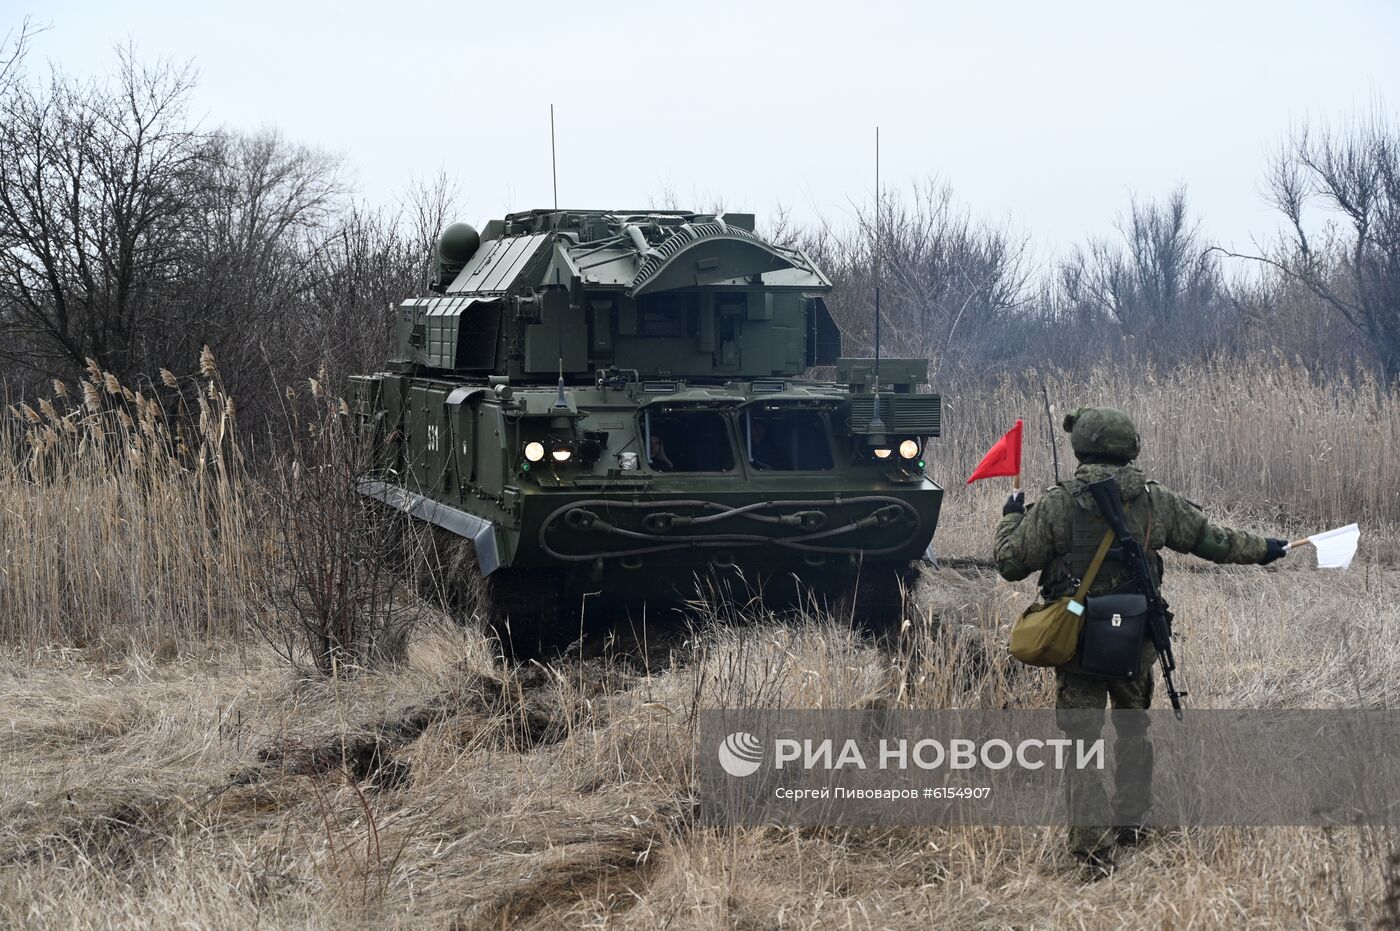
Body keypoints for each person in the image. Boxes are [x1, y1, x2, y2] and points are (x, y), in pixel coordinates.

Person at [993, 406, 1288, 878]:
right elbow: (1215, 541)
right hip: (1135, 639)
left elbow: (1010, 562)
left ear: (1081, 447)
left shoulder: (1058, 502)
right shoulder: (1155, 500)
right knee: (1133, 729)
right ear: (1130, 447)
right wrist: (1268, 549)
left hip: (1078, 638)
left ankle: (1093, 850)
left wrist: (1010, 517)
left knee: (1081, 744)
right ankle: (1132, 822)